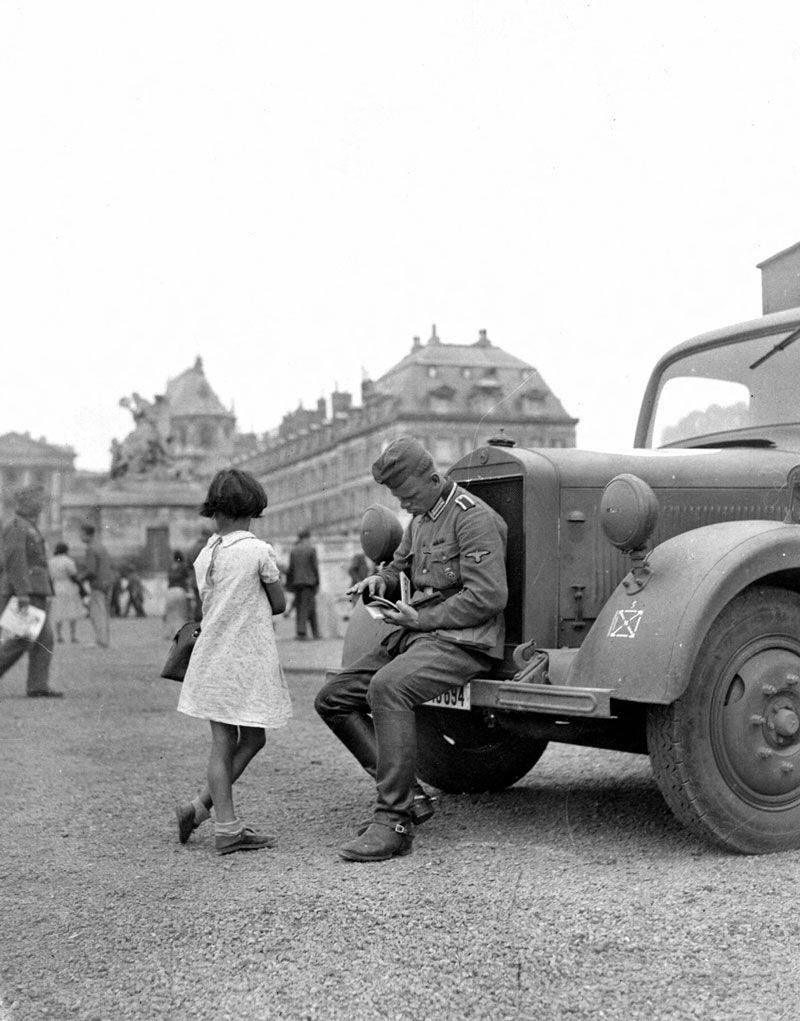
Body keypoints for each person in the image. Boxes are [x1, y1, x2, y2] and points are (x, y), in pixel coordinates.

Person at [314, 437, 508, 862]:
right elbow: (399, 566)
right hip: (419, 637)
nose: (404, 508)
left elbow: (489, 597)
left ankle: (395, 821)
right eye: (398, 499)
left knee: (388, 688)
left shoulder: (472, 519)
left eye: (408, 496)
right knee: (333, 698)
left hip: (464, 642)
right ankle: (411, 797)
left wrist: (420, 619)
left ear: (434, 479)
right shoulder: (422, 518)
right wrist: (378, 582)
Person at [175, 468, 292, 855]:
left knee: (227, 740)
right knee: (249, 738)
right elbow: (279, 604)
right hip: (244, 658)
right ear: (250, 510)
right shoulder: (258, 550)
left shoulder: (206, 552)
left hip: (211, 657)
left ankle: (198, 809)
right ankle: (227, 828)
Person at [0, 485, 62, 697]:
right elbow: (16, 560)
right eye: (37, 501)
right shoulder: (18, 526)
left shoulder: (26, 525)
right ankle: (37, 685)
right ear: (26, 504)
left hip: (36, 590)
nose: (41, 505)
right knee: (20, 639)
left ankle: (38, 685)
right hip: (27, 592)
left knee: (44, 640)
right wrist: (23, 592)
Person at [76, 524, 114, 648]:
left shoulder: (91, 549)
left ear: (87, 534)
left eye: (81, 534)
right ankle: (104, 640)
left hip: (98, 584)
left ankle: (101, 641)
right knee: (103, 612)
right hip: (107, 582)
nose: (80, 537)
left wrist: (80, 578)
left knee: (97, 613)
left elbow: (91, 571)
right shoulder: (101, 546)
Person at [286, 527, 320, 640]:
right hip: (309, 582)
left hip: (297, 583)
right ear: (306, 538)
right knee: (307, 607)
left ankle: (312, 632)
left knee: (301, 606)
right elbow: (315, 568)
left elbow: (291, 569)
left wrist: (289, 584)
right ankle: (303, 632)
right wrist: (318, 582)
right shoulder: (311, 549)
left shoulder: (294, 550)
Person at [47, 542, 84, 644]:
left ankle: (59, 635)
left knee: (58, 611)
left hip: (56, 586)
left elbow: (49, 577)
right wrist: (81, 588)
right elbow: (73, 575)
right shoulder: (68, 561)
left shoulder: (51, 561)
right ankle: (73, 635)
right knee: (72, 610)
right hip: (68, 585)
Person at [163, 549, 191, 638]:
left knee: (170, 614)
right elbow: (187, 579)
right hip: (180, 591)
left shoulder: (171, 567)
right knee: (181, 614)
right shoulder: (183, 566)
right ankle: (178, 633)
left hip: (170, 591)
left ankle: (168, 633)